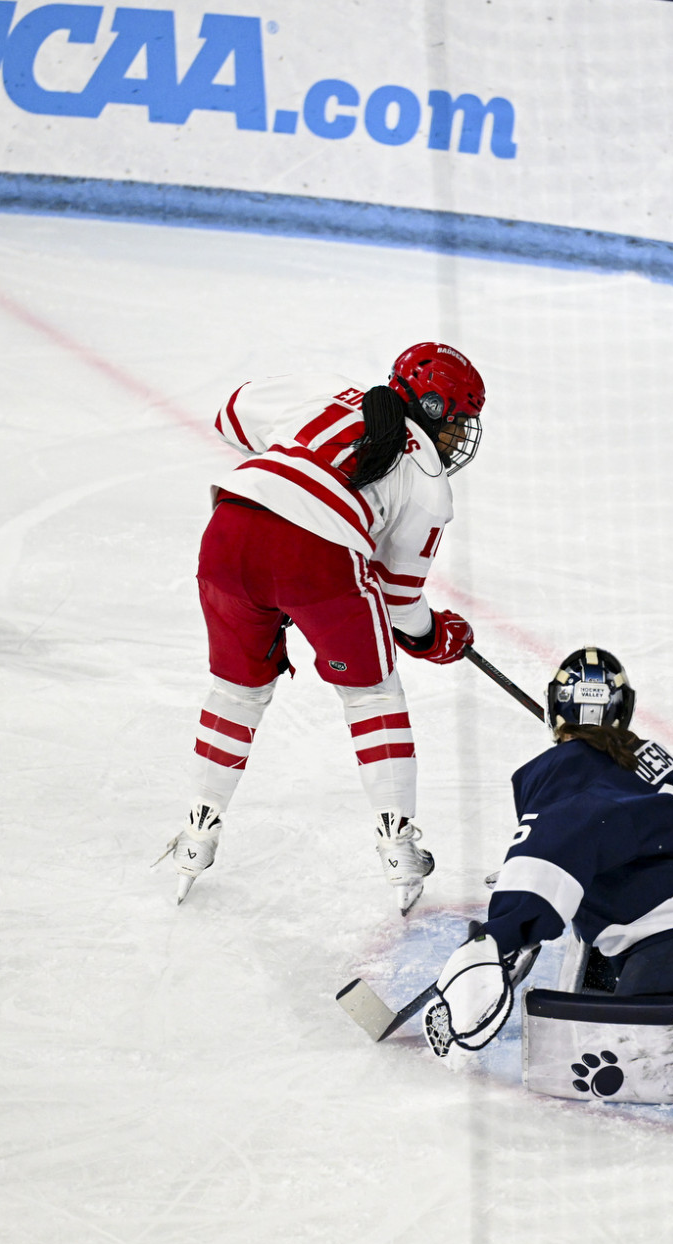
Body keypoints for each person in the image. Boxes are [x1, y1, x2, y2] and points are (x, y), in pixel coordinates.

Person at [158, 344, 485, 914]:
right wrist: (436, 637)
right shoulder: (428, 478)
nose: (460, 438)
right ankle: (397, 849)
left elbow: (231, 414)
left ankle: (197, 834)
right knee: (372, 694)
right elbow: (400, 601)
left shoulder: (326, 392)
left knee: (237, 692)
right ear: (432, 408)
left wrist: (297, 460)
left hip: (229, 530)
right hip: (317, 559)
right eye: (457, 421)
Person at [425, 648, 673, 1040]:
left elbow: (549, 854)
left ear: (555, 709)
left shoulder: (563, 770)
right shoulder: (643, 754)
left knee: (637, 1045)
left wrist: (501, 936)